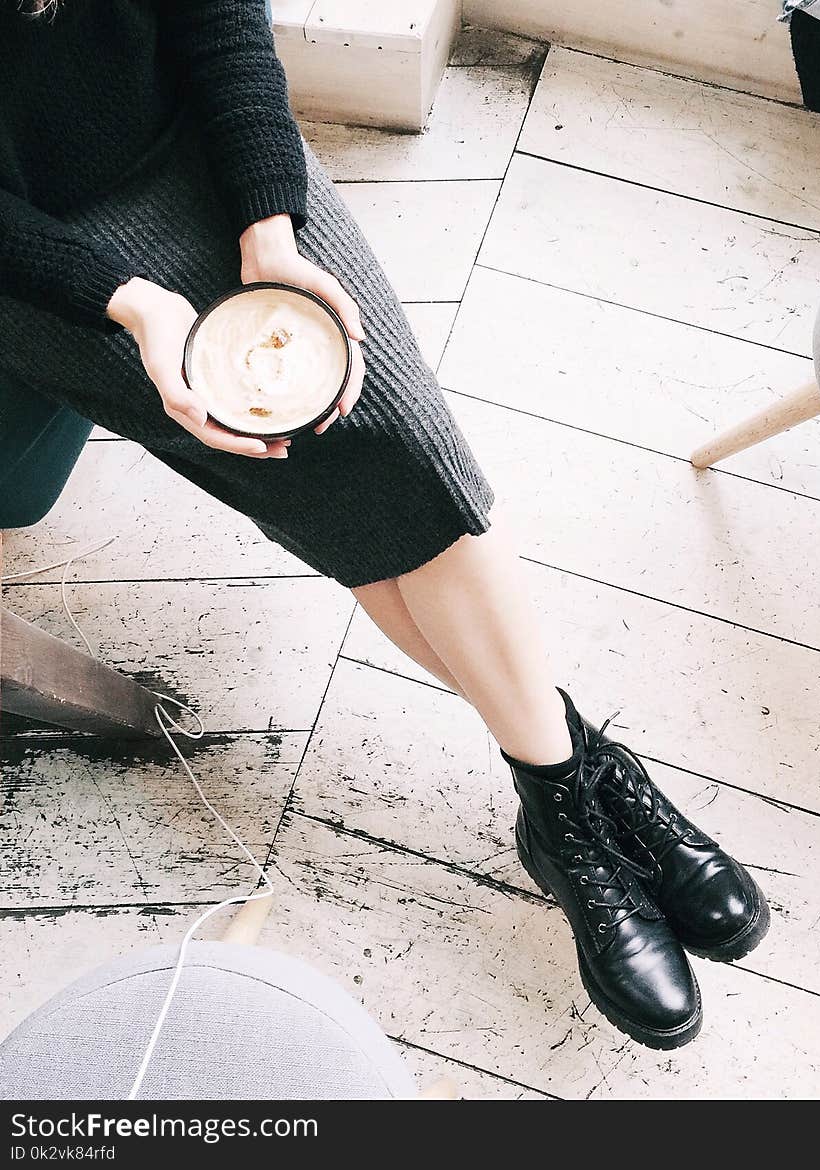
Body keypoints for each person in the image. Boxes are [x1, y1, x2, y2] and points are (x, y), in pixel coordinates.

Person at [0, 0, 769, 1050]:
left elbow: (219, 19)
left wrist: (267, 223)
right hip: (41, 262)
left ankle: (560, 794)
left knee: (408, 452)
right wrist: (128, 302)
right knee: (327, 491)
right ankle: (577, 785)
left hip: (207, 151)